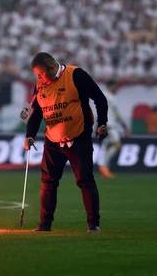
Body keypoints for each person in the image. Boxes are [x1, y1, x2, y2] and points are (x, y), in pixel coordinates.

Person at [24, 52, 108, 233]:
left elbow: (100, 99)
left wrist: (102, 123)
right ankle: (44, 225)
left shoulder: (76, 75)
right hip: (53, 140)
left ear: (52, 68)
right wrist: (29, 134)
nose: (38, 78)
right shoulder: (40, 85)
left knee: (85, 181)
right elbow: (35, 111)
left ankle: (93, 225)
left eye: (40, 74)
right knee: (48, 182)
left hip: (79, 137)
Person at [98, 80, 130, 179]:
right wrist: (125, 127)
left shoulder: (102, 95)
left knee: (108, 146)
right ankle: (103, 167)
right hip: (110, 125)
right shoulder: (111, 97)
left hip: (103, 125)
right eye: (116, 86)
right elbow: (117, 115)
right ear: (112, 86)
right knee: (117, 144)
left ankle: (105, 170)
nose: (117, 88)